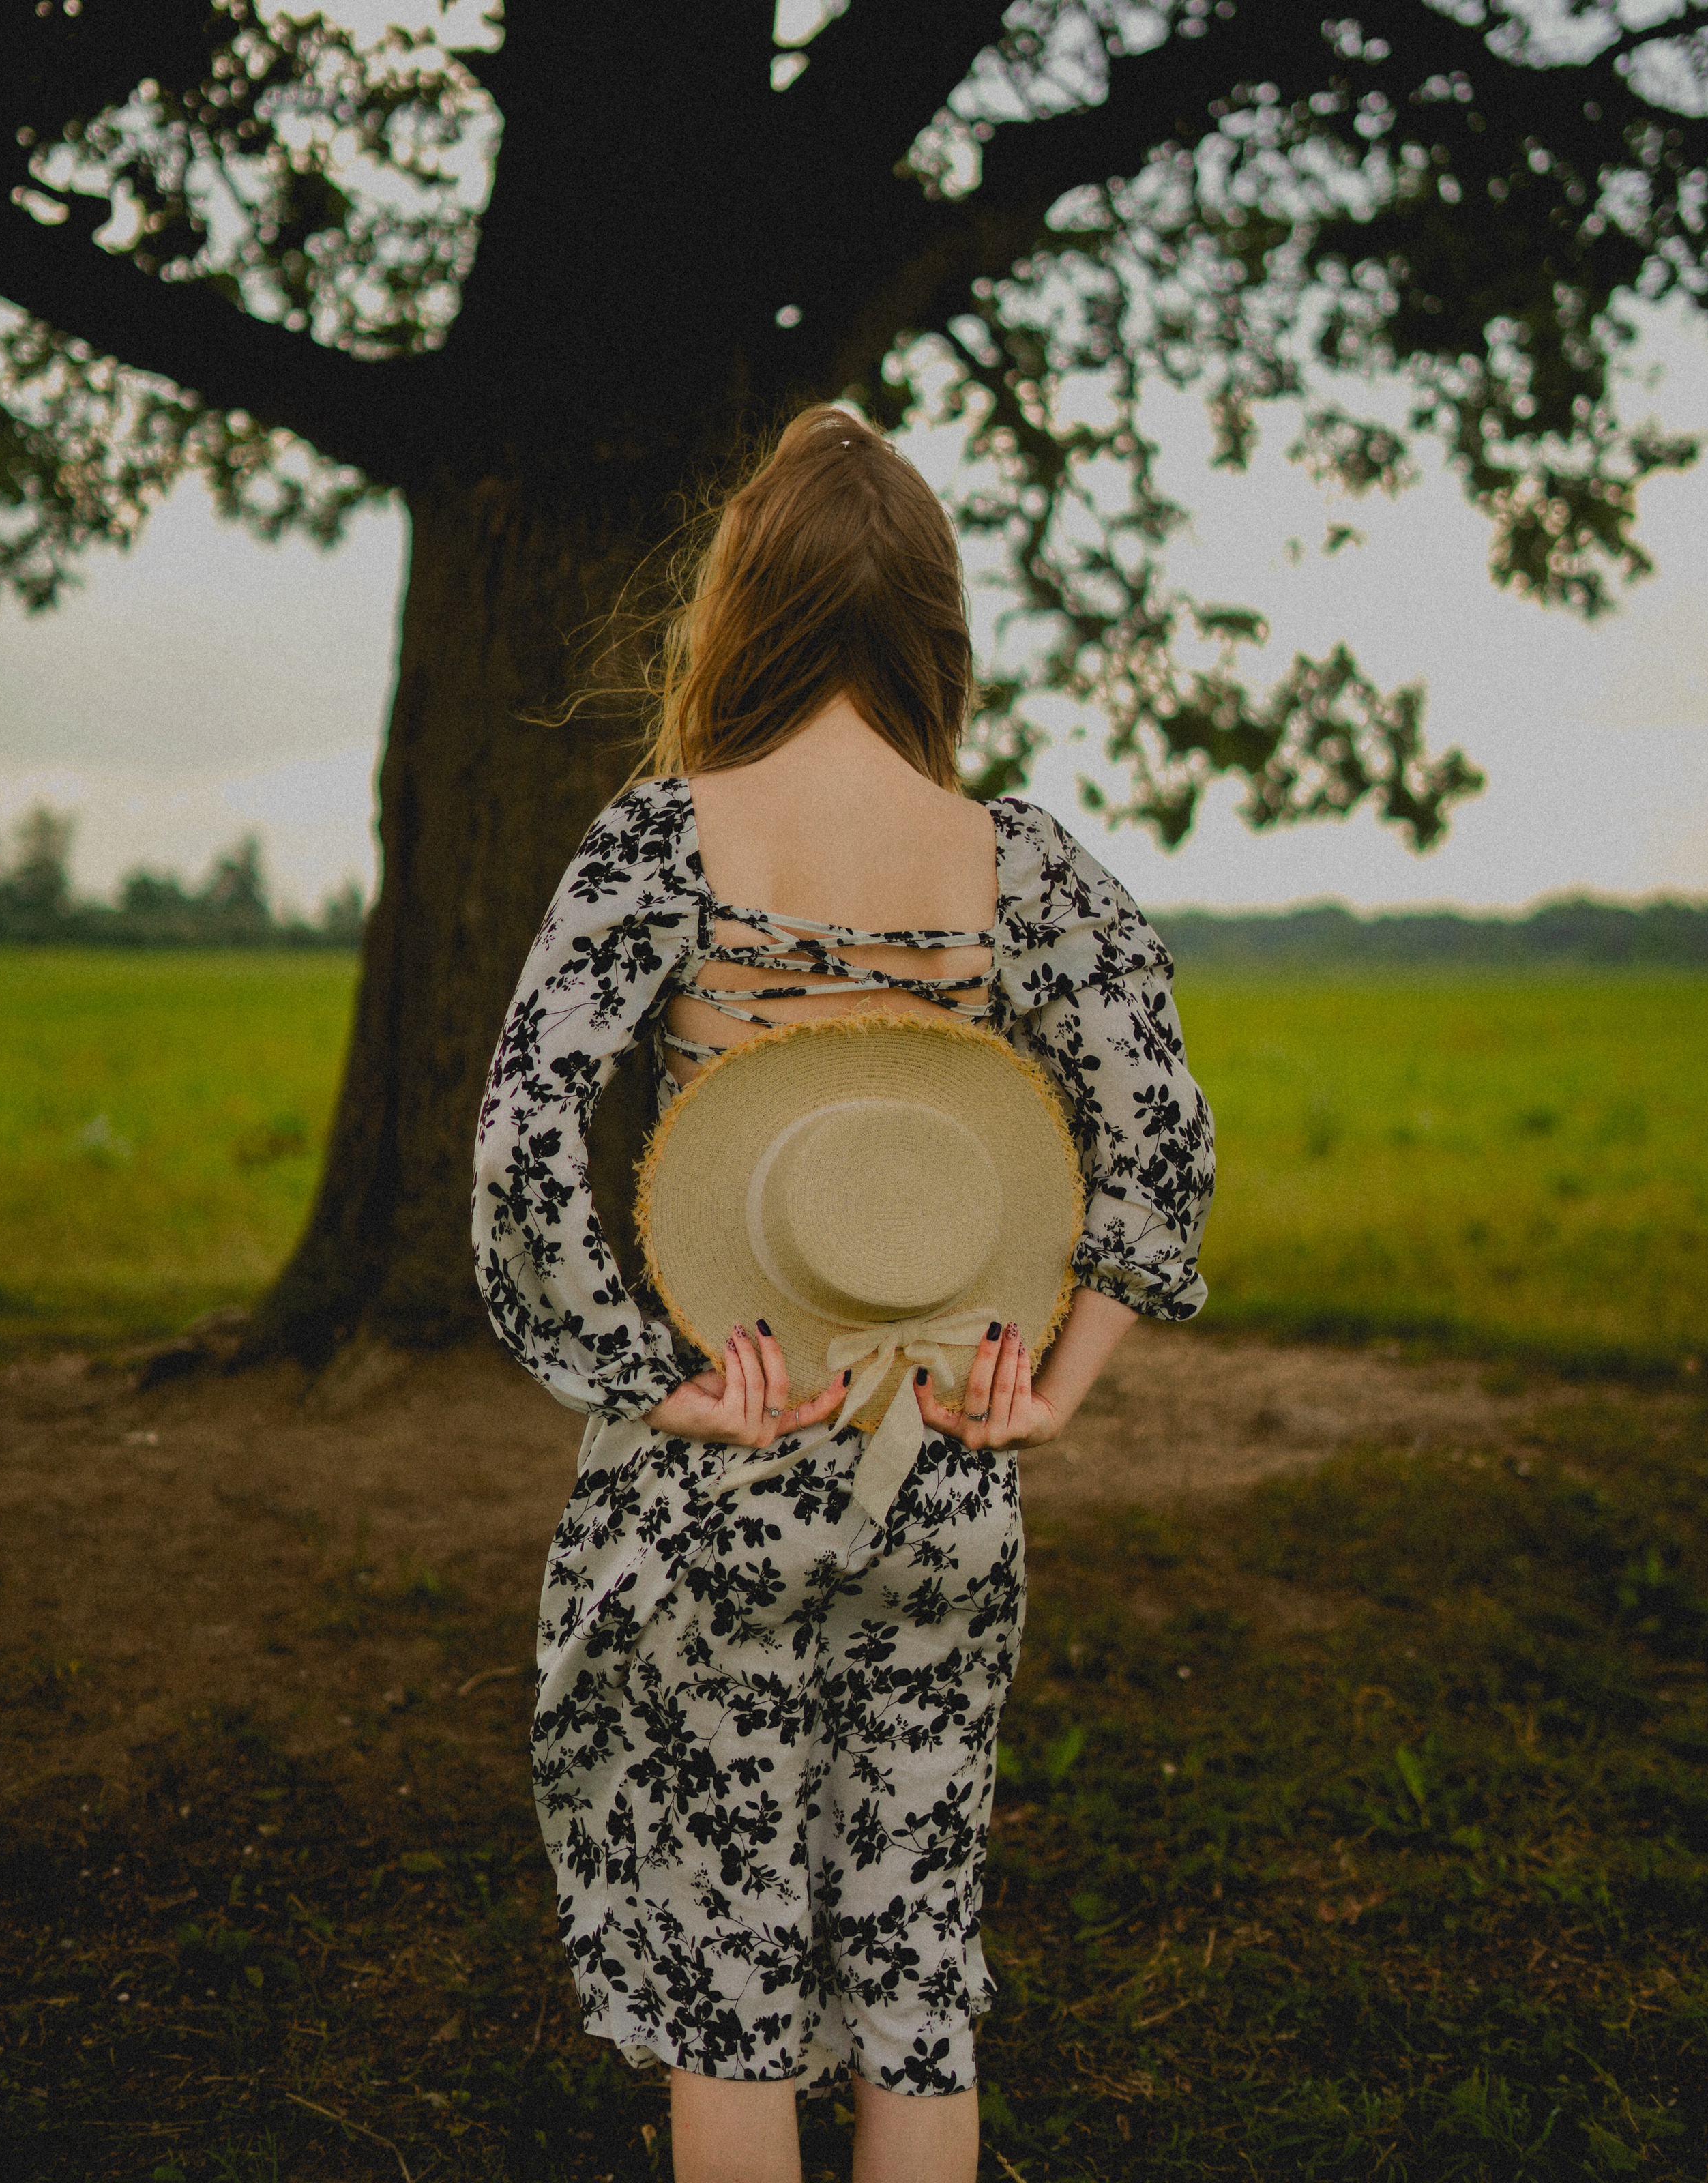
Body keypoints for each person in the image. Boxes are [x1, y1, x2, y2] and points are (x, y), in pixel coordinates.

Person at [473, 406, 1214, 2183]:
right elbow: (1165, 1136)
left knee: (732, 1983)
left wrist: (646, 1380)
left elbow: (519, 1140)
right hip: (948, 1460)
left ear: (742, 610)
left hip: (732, 1462)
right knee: (913, 1962)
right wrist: (1053, 1386)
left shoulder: (667, 841)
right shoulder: (1014, 861)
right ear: (933, 628)